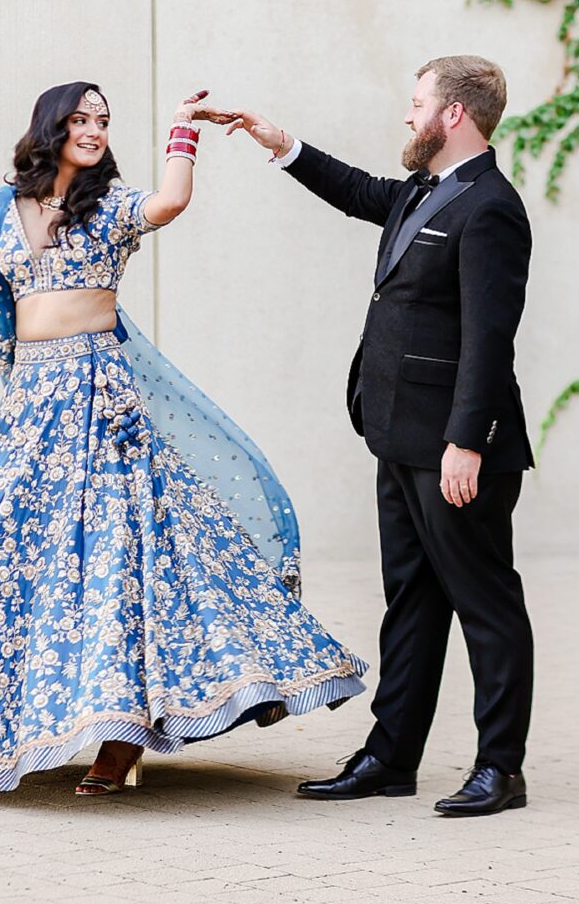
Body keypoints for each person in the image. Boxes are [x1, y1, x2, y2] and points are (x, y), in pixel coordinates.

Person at [0, 81, 367, 796]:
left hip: (101, 400)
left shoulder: (112, 204)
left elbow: (170, 203)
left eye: (103, 120)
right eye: (81, 118)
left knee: (114, 555)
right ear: (51, 126)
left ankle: (117, 735)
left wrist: (181, 131)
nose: (95, 129)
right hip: (32, 402)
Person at [225, 55, 535, 817]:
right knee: (411, 602)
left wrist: (466, 439)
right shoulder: (426, 194)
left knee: (484, 604)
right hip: (397, 437)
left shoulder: (489, 206)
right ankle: (390, 758)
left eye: (416, 101)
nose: (406, 114)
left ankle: (501, 768)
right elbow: (360, 192)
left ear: (452, 114)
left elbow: (490, 337)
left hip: (455, 450)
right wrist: (281, 143)